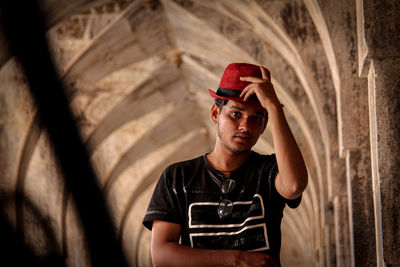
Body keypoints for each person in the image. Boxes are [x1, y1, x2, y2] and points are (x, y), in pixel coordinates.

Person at [142, 63, 308, 267]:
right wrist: (237, 260)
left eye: (256, 118)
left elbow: (293, 186)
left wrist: (273, 107)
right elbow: (162, 255)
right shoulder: (178, 177)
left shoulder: (269, 171)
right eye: (236, 114)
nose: (245, 126)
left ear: (264, 125)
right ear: (215, 114)